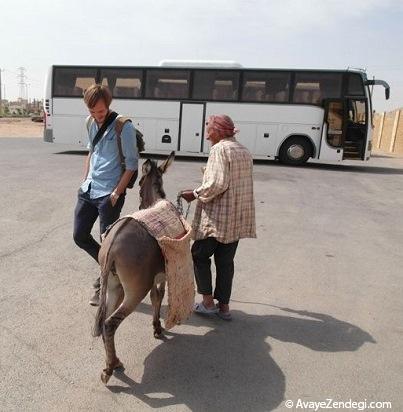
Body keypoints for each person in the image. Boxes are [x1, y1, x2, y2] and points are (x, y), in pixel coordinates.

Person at [181, 114, 256, 320]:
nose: (207, 136)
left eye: (209, 131)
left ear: (219, 131)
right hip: (237, 217)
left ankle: (207, 302)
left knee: (198, 254)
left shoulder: (219, 149)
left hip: (218, 218)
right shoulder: (243, 150)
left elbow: (217, 184)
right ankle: (224, 308)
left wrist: (194, 194)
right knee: (225, 261)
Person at [73, 84, 138, 306]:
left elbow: (131, 165)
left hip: (110, 193)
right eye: (92, 112)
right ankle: (112, 272)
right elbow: (91, 151)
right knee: (79, 236)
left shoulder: (123, 126)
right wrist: (85, 179)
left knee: (107, 243)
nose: (97, 116)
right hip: (90, 188)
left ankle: (104, 283)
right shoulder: (90, 122)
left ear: (108, 105)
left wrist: (117, 193)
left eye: (100, 112)